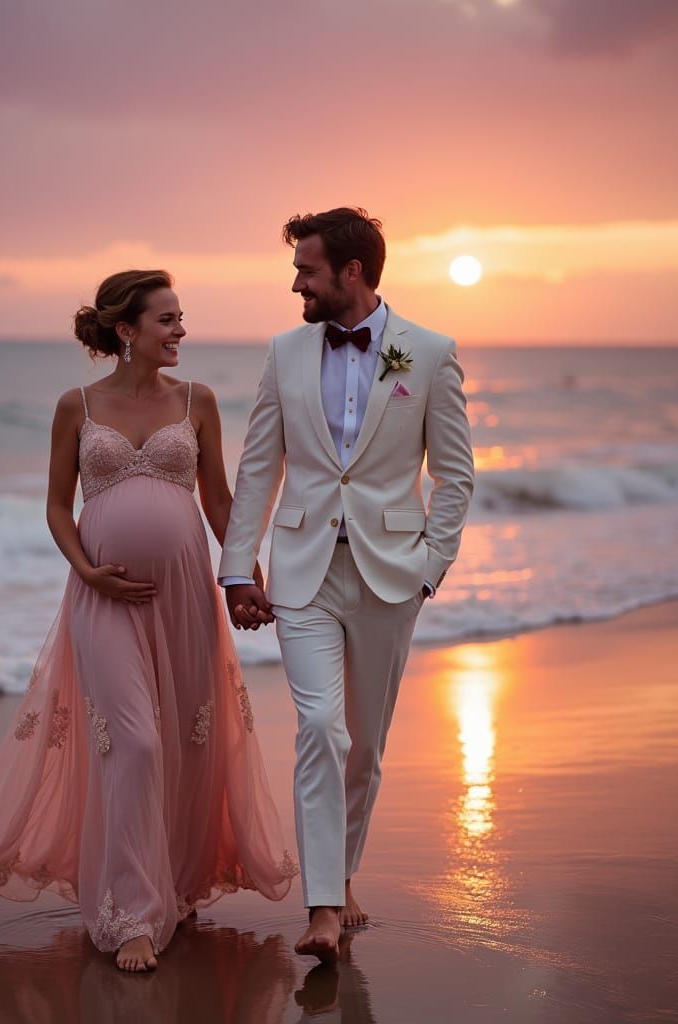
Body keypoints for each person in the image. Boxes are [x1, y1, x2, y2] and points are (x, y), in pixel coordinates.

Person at [0, 269, 297, 972]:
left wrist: (244, 578)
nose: (180, 331)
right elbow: (56, 504)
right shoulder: (76, 406)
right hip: (103, 599)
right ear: (125, 330)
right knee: (134, 744)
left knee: (181, 743)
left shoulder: (197, 401)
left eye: (180, 318)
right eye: (166, 320)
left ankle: (174, 883)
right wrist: (84, 567)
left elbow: (220, 502)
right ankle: (133, 916)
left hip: (185, 600)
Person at [218, 208, 474, 961]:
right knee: (321, 730)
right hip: (303, 574)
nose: (296, 281)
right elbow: (259, 465)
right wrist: (238, 568)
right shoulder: (285, 352)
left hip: (391, 576)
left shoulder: (428, 354)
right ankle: (323, 907)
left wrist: (430, 570)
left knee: (364, 748)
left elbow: (454, 476)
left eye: (308, 269)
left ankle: (342, 871)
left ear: (352, 273)